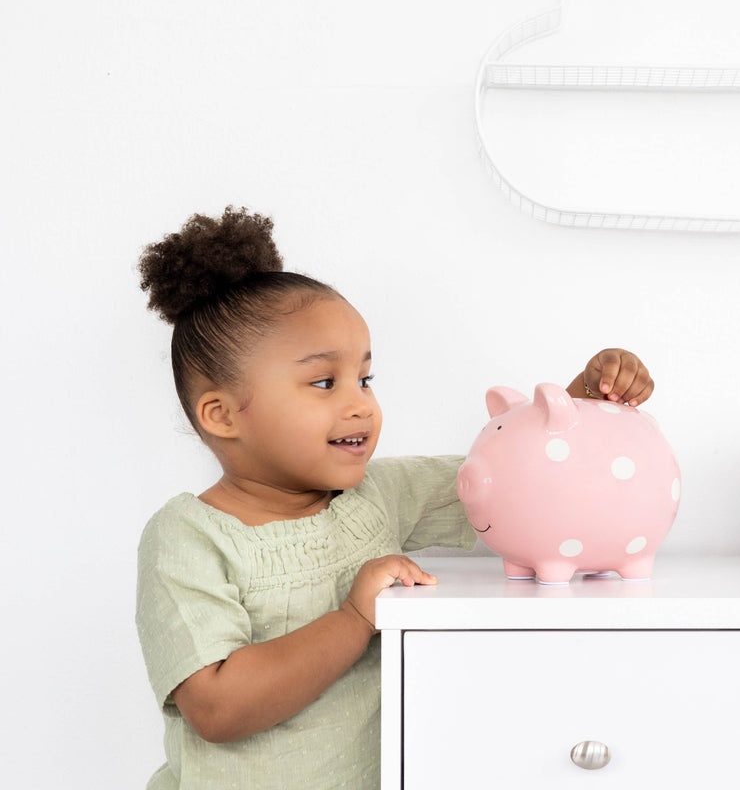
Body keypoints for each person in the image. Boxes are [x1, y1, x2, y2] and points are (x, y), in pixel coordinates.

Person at [135, 206, 655, 790]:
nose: (360, 404)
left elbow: (516, 480)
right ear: (222, 414)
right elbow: (216, 708)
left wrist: (583, 399)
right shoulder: (188, 537)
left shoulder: (376, 496)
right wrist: (355, 619)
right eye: (324, 382)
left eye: (365, 379)